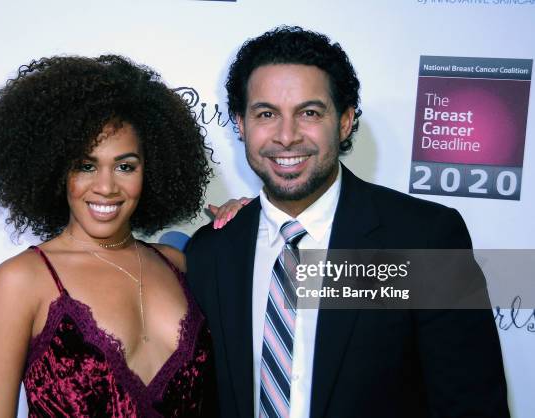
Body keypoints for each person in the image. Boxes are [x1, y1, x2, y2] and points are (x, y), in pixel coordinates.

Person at [186, 26, 509, 418]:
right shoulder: (212, 252)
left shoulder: (424, 238)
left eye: (309, 113)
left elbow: (473, 405)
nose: (286, 136)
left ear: (344, 120)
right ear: (240, 123)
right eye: (266, 114)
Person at [0, 55, 220, 417]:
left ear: (152, 170)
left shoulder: (179, 264)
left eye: (125, 166)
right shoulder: (20, 281)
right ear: (55, 170)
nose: (105, 186)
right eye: (85, 166)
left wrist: (247, 221)